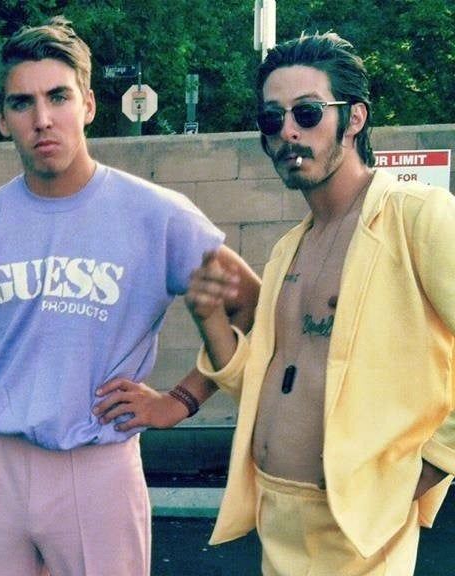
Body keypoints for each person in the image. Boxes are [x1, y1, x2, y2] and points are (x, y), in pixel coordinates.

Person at [0, 16, 258, 576]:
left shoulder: (156, 215)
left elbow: (253, 305)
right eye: (22, 102)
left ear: (87, 104)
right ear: (2, 118)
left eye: (58, 96)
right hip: (2, 464)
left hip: (98, 467)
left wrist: (180, 400)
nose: (42, 118)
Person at [186, 31, 455, 575]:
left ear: (354, 119)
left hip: (359, 532)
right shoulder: (289, 249)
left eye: (307, 113)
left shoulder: (416, 216)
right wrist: (210, 319)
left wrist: (432, 464)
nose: (287, 131)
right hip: (277, 518)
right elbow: (266, 385)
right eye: (272, 119)